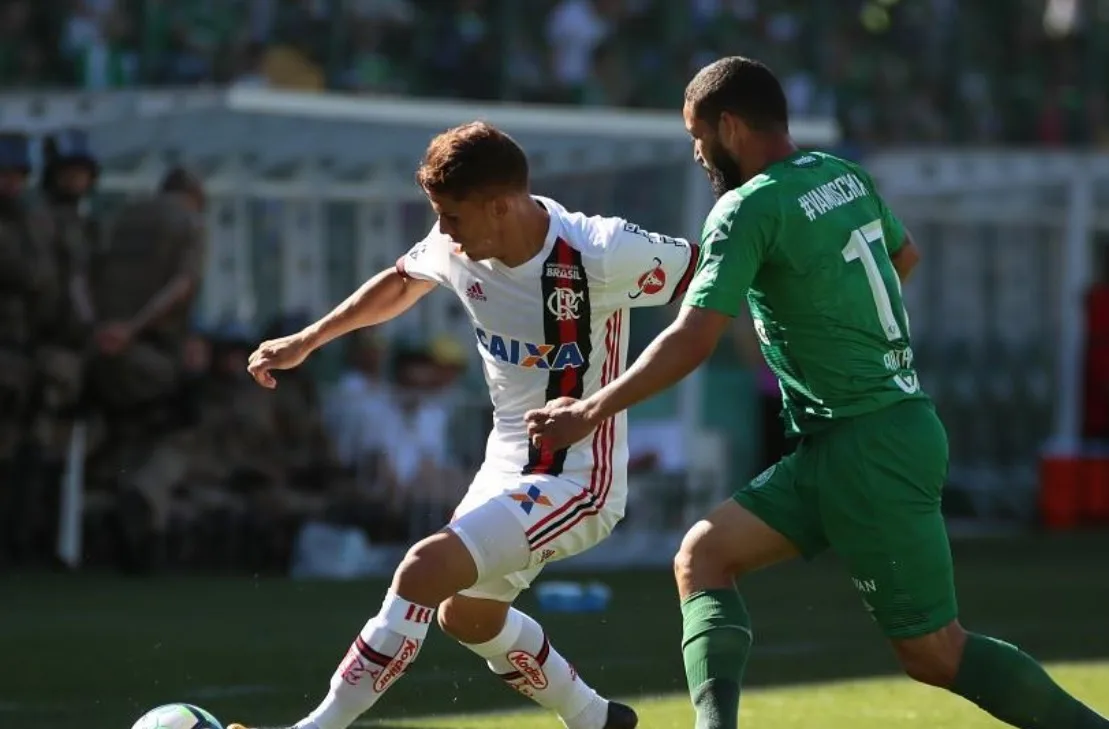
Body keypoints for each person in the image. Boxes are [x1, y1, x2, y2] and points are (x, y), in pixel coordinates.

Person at [525, 57, 1109, 729]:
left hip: (867, 447)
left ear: (732, 125)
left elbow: (692, 338)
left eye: (697, 134)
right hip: (855, 437)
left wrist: (587, 410)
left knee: (936, 653)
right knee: (703, 554)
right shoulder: (840, 175)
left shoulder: (744, 208)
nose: (695, 152)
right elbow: (904, 256)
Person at [230, 121, 698, 729]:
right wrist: (308, 340)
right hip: (505, 463)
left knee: (422, 569)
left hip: (579, 476)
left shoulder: (600, 252)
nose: (443, 230)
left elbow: (711, 279)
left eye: (452, 215)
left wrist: (606, 403)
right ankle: (597, 719)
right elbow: (403, 281)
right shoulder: (457, 245)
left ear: (500, 205)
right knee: (466, 616)